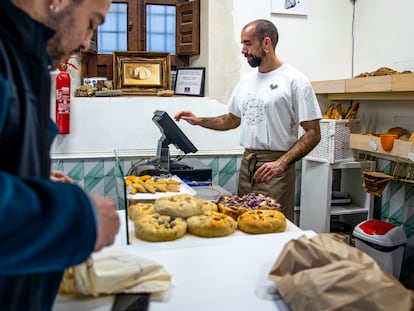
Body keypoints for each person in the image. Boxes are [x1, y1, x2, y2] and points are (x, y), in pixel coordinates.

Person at [0, 0, 120, 310]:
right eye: (92, 23)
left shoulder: (22, 56)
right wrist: (80, 217)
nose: (86, 42)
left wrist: (36, 179)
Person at [175, 19, 322, 222]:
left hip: (275, 169)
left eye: (247, 43)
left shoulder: (295, 80)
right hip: (247, 165)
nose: (243, 50)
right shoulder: (246, 81)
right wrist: (199, 120)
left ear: (266, 43)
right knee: (244, 221)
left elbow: (314, 133)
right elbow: (231, 119)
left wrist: (280, 164)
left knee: (272, 225)